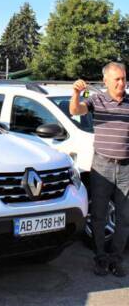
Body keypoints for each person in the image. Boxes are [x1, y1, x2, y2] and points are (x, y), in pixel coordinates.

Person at [70, 61, 129, 277]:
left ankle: (116, 259)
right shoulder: (97, 99)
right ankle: (100, 258)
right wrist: (76, 93)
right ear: (106, 81)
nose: (122, 83)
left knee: (125, 218)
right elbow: (75, 110)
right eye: (117, 79)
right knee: (98, 216)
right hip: (102, 167)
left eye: (124, 78)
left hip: (126, 168)